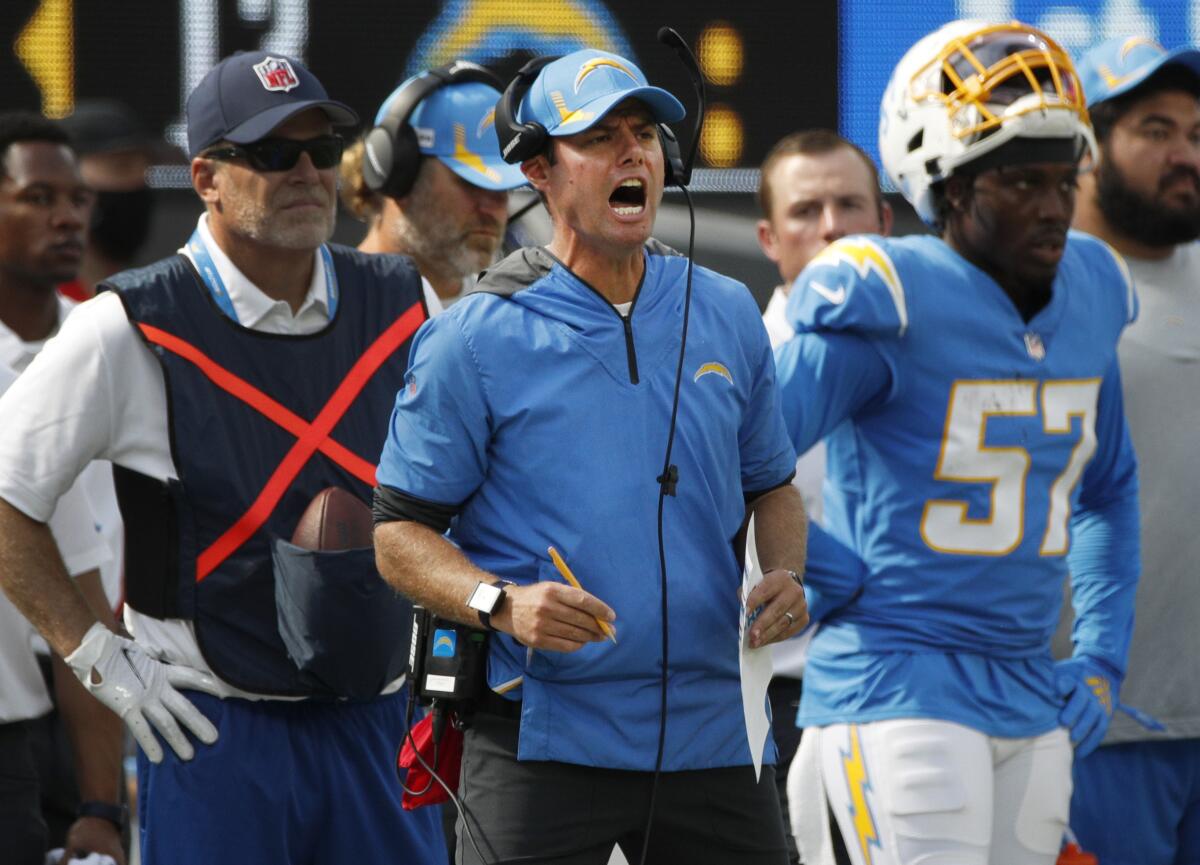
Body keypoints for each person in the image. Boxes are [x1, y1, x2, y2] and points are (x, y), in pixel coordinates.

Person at [0, 52, 444, 864]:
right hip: (214, 731)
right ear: (207, 177)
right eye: (273, 153)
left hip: (382, 724)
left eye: (320, 147)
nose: (306, 171)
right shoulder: (127, 324)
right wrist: (99, 656)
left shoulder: (407, 301)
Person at [373, 48, 809, 865]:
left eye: (642, 133)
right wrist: (498, 601)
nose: (632, 153)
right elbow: (397, 533)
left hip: (713, 735)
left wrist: (785, 572)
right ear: (539, 169)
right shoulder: (470, 337)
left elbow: (774, 486)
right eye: (600, 137)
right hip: (540, 741)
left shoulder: (726, 311)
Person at [775, 20, 1140, 865]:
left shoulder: (1089, 289)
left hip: (1028, 691)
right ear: (946, 184)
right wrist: (833, 570)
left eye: (1063, 178)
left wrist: (1099, 657)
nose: (1053, 206)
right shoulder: (889, 296)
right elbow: (728, 450)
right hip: (894, 685)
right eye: (1019, 180)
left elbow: (1111, 489)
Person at [1055, 36, 1200, 865]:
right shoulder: (1032, 285)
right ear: (1085, 146)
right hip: (1091, 726)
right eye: (1155, 129)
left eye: (1196, 132)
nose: (1185, 154)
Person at [755, 128, 893, 865]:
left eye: (850, 205)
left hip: (912, 693)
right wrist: (861, 580)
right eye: (808, 210)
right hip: (786, 701)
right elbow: (726, 500)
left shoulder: (938, 355)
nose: (833, 227)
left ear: (886, 223)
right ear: (769, 237)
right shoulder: (734, 361)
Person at [0, 110, 127, 865]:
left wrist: (101, 802)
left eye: (77, 199)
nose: (66, 216)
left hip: (82, 710)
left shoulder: (108, 347)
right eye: (38, 197)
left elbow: (86, 595)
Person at [340, 61, 525, 306]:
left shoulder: (507, 316)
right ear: (398, 173)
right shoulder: (329, 313)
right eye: (470, 183)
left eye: (504, 187)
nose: (494, 208)